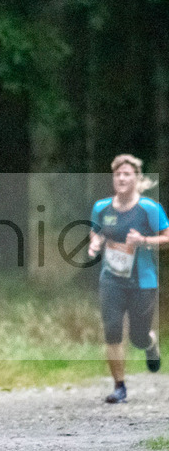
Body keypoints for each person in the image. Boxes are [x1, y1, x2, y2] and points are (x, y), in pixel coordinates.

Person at [87, 154, 168, 403]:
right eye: (118, 174)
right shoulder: (101, 207)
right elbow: (95, 232)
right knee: (112, 331)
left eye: (127, 174)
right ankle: (119, 387)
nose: (121, 178)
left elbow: (167, 237)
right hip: (111, 279)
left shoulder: (149, 209)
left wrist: (143, 241)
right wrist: (95, 244)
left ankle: (150, 343)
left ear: (136, 178)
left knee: (138, 336)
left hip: (143, 282)